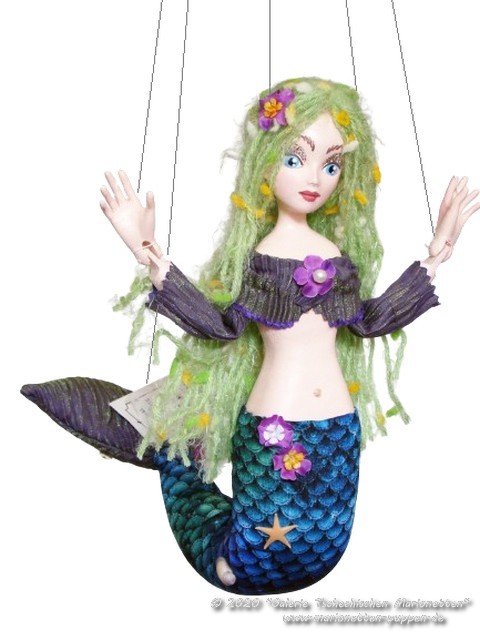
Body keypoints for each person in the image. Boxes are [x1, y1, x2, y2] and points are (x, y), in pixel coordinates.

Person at [24, 77, 480, 595]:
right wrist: (150, 255)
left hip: (338, 429)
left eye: (331, 165)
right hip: (274, 427)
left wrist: (436, 255)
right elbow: (220, 326)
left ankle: (189, 478)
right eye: (296, 158)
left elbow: (371, 320)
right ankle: (176, 461)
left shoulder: (336, 258)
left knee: (324, 544)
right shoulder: (263, 261)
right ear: (266, 162)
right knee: (247, 560)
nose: (315, 178)